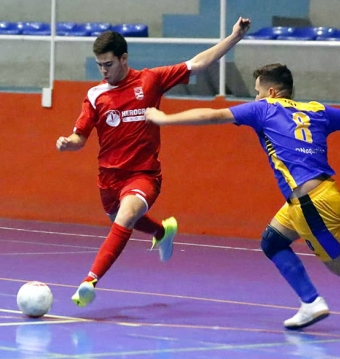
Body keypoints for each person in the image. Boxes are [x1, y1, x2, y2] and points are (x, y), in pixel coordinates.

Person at [145, 63, 340, 329]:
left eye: (258, 91)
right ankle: (310, 301)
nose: (256, 96)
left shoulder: (264, 109)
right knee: (273, 241)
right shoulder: (315, 110)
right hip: (316, 195)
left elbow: (213, 115)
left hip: (310, 203)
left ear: (273, 92)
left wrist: (165, 119)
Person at [55, 17, 251, 307]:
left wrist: (234, 37)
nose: (103, 71)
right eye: (99, 65)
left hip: (143, 175)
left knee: (124, 217)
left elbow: (197, 64)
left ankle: (90, 280)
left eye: (108, 64)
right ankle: (162, 231)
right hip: (108, 178)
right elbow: (80, 136)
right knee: (121, 217)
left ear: (124, 58)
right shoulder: (95, 95)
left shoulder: (150, 80)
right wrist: (68, 143)